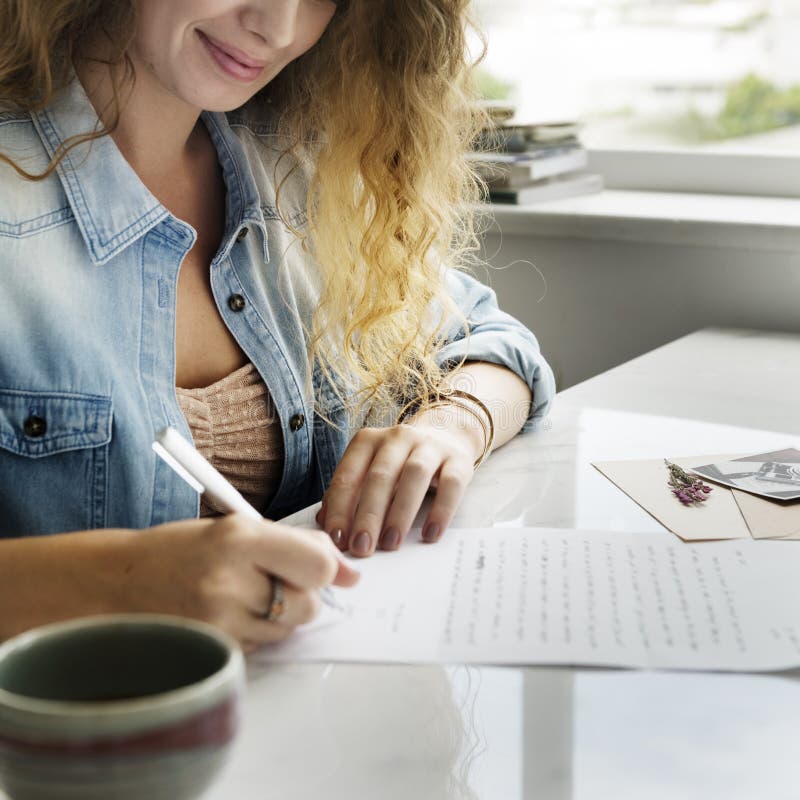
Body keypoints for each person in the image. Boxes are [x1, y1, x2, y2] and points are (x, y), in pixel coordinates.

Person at [0, 0, 555, 649]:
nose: (279, 27)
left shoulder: (296, 167)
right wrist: (120, 584)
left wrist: (449, 428)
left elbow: (493, 341)